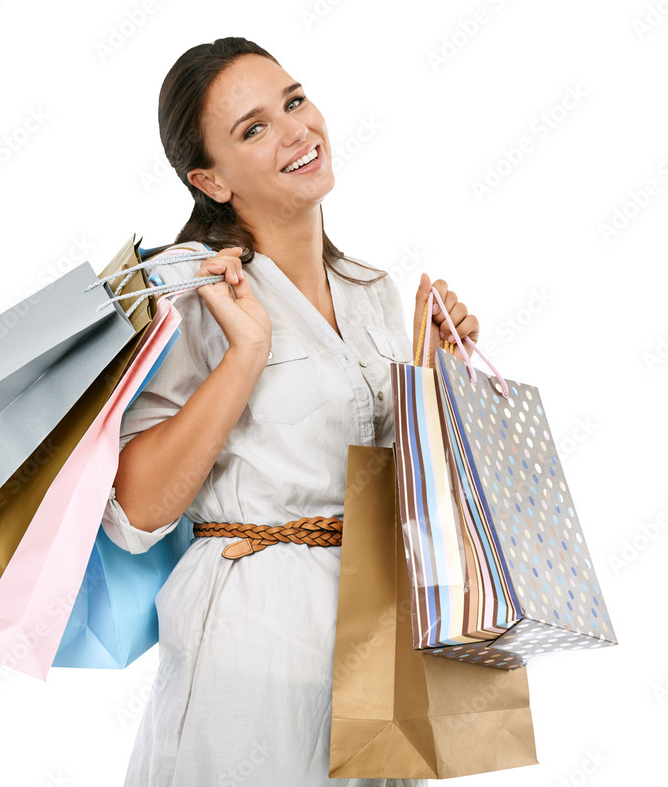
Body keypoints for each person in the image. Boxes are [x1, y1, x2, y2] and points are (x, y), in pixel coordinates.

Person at [99, 37, 481, 787]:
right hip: (254, 645)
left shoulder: (372, 289)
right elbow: (136, 511)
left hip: (379, 637)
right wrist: (245, 354)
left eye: (295, 101)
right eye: (254, 128)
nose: (297, 131)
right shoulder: (189, 292)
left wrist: (438, 380)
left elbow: (405, 500)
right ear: (208, 179)